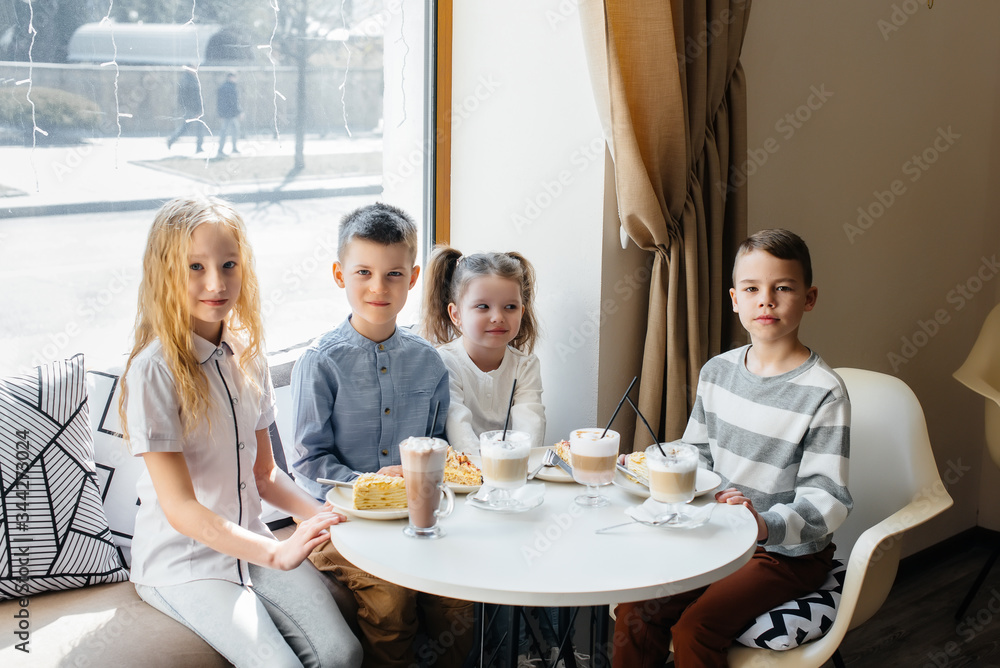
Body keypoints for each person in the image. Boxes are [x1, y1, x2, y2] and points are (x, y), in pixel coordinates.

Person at [118, 195, 362, 668]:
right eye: (195, 267)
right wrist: (277, 555)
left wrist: (324, 521)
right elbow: (183, 510)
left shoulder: (246, 352)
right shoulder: (154, 372)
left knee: (343, 653)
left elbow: (266, 475)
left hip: (248, 541)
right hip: (182, 566)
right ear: (164, 273)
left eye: (228, 264)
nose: (216, 282)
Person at [612, 228, 853, 668]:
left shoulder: (823, 392)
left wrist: (764, 525)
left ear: (809, 297)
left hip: (785, 556)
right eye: (752, 289)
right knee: (634, 613)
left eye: (782, 287)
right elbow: (696, 452)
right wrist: (648, 461)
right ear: (734, 299)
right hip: (716, 536)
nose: (767, 300)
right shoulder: (717, 372)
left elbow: (829, 498)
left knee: (695, 628)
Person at [291, 202, 474, 668]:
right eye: (364, 273)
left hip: (418, 515)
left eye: (393, 274)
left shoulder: (429, 361)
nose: (378, 287)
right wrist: (371, 486)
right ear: (339, 274)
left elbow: (437, 443)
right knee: (391, 602)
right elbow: (309, 464)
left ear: (412, 279)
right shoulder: (320, 362)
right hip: (340, 521)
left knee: (458, 597)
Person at [421, 246, 556, 666]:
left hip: (514, 480)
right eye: (483, 306)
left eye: (510, 306)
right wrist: (494, 472)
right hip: (464, 486)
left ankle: (538, 649)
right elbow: (457, 427)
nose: (498, 317)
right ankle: (498, 654)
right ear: (456, 314)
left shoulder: (524, 364)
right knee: (491, 559)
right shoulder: (444, 362)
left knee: (541, 540)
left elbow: (530, 424)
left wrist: (512, 471)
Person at [166, 67, 206, 153]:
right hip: (193, 109)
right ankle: (172, 139)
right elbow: (192, 97)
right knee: (188, 127)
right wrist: (196, 109)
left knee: (190, 127)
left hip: (193, 108)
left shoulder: (189, 79)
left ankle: (198, 146)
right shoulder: (188, 80)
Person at [216, 71, 242, 157]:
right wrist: (238, 112)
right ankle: (221, 150)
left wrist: (220, 114)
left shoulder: (225, 87)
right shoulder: (230, 88)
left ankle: (232, 148)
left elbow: (219, 102)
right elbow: (233, 102)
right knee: (226, 131)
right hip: (230, 114)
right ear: (230, 77)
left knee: (233, 130)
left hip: (228, 113)